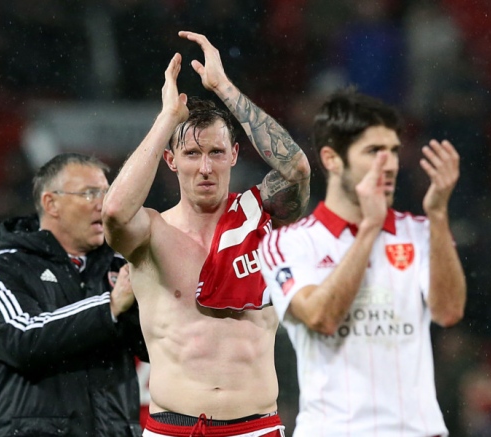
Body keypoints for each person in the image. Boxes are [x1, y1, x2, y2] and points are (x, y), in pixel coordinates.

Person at [102, 31, 311, 437]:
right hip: (170, 428)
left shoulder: (259, 215)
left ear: (234, 154)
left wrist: (223, 88)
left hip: (255, 426)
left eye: (216, 152)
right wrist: (166, 120)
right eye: (192, 154)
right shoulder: (149, 233)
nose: (205, 168)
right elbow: (113, 211)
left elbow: (297, 170)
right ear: (170, 160)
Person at [259, 88, 466, 437]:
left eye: (394, 151)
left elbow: (448, 312)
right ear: (332, 159)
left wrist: (438, 214)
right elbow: (321, 317)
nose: (390, 163)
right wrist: (369, 227)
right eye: (373, 151)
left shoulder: (420, 232)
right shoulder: (287, 243)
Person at [0, 153, 148, 437]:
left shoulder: (121, 268)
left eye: (106, 192)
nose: (103, 204)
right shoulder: (0, 268)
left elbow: (155, 346)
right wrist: (110, 307)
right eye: (90, 194)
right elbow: (21, 337)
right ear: (50, 203)